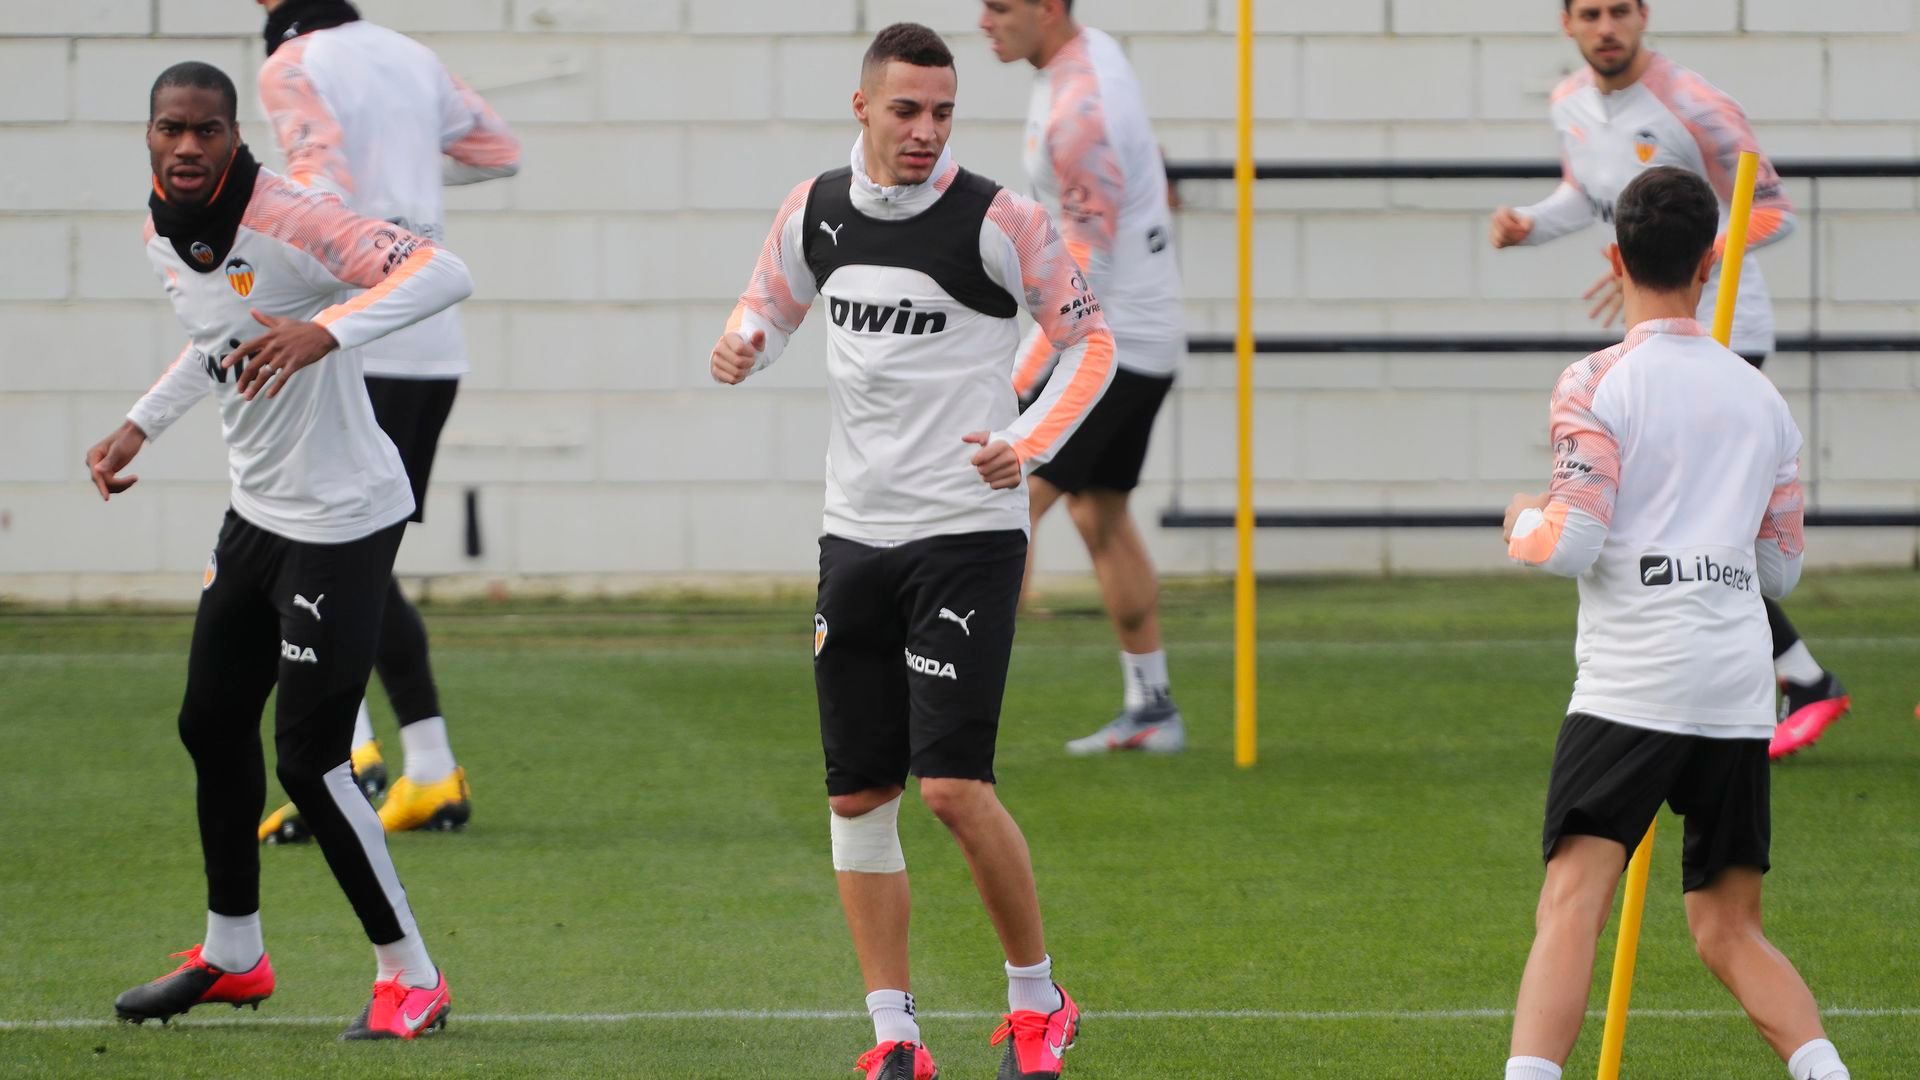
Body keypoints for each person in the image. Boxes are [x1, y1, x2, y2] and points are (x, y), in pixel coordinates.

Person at [708, 23, 1112, 1080]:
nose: (927, 130)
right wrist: (744, 341)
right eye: (906, 110)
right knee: (857, 797)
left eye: (942, 110)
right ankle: (895, 1033)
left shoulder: (999, 219)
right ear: (863, 109)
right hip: (857, 537)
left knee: (951, 787)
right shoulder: (816, 210)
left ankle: (1039, 1001)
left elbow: (1091, 343)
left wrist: (1024, 445)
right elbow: (773, 304)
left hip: (966, 541)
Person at [95, 61, 471, 1040]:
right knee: (209, 725)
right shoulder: (163, 230)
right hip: (256, 518)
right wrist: (141, 424)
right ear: (149, 135)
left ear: (232, 137)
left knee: (309, 759)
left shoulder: (292, 215)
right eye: (171, 129)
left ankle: (413, 977)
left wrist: (327, 332)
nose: (187, 146)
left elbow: (443, 270)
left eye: (207, 131)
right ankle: (233, 954)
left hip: (343, 523)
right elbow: (215, 335)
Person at [1500, 167, 1848, 1080]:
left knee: (1572, 902)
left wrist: (1520, 522)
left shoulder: (1594, 381)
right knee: (1730, 930)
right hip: (1737, 687)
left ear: (1615, 260)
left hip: (1633, 679)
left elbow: (1569, 543)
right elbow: (1782, 567)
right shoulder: (1760, 397)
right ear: (1710, 261)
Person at [1488, 0, 1848, 759]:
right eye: (1591, 13)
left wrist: (1689, 255)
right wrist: (1530, 223)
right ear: (1568, 26)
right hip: (1652, 328)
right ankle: (1802, 676)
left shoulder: (1695, 104)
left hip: (1723, 331)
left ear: (1643, 16)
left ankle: (1794, 677)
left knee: (1691, 527)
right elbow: (1586, 194)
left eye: (1621, 10)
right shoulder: (1569, 103)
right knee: (1687, 528)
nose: (1607, 26)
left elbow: (1772, 210)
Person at [250, 0, 520, 843]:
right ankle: (428, 771)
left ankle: (354, 761)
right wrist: (406, 196)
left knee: (305, 547)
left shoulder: (291, 66)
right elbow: (495, 151)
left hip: (349, 331)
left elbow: (315, 181)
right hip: (430, 340)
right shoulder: (410, 55)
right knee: (359, 555)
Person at [980, 0, 1186, 756]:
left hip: (1114, 346)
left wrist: (1017, 380)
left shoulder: (1079, 111)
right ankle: (1153, 708)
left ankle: (952, 712)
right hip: (1141, 335)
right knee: (1098, 516)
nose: (983, 20)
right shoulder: (1089, 55)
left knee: (1001, 494)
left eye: (999, 6)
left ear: (1047, 8)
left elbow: (1085, 271)